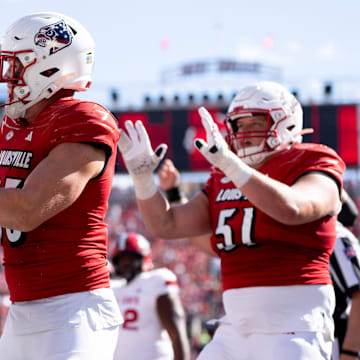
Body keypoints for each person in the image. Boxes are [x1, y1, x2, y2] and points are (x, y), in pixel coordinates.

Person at [118, 80, 346, 360]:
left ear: (286, 122)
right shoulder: (222, 175)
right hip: (235, 325)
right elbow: (168, 224)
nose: (244, 133)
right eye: (239, 125)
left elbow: (293, 208)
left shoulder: (313, 159)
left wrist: (231, 165)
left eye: (255, 123)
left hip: (294, 321)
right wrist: (142, 179)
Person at [0, 12, 122, 360]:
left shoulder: (82, 118)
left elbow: (27, 209)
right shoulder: (12, 125)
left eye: (16, 66)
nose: (8, 78)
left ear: (48, 67)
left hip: (75, 309)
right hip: (23, 310)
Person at [159, 160, 360, 360]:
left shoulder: (338, 238)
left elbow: (358, 294)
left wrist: (350, 351)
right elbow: (210, 242)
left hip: (317, 339)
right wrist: (175, 196)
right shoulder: (280, 232)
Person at [110, 232, 190, 360]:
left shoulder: (156, 281)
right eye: (122, 259)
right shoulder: (112, 288)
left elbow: (177, 334)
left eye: (131, 259)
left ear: (144, 258)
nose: (126, 264)